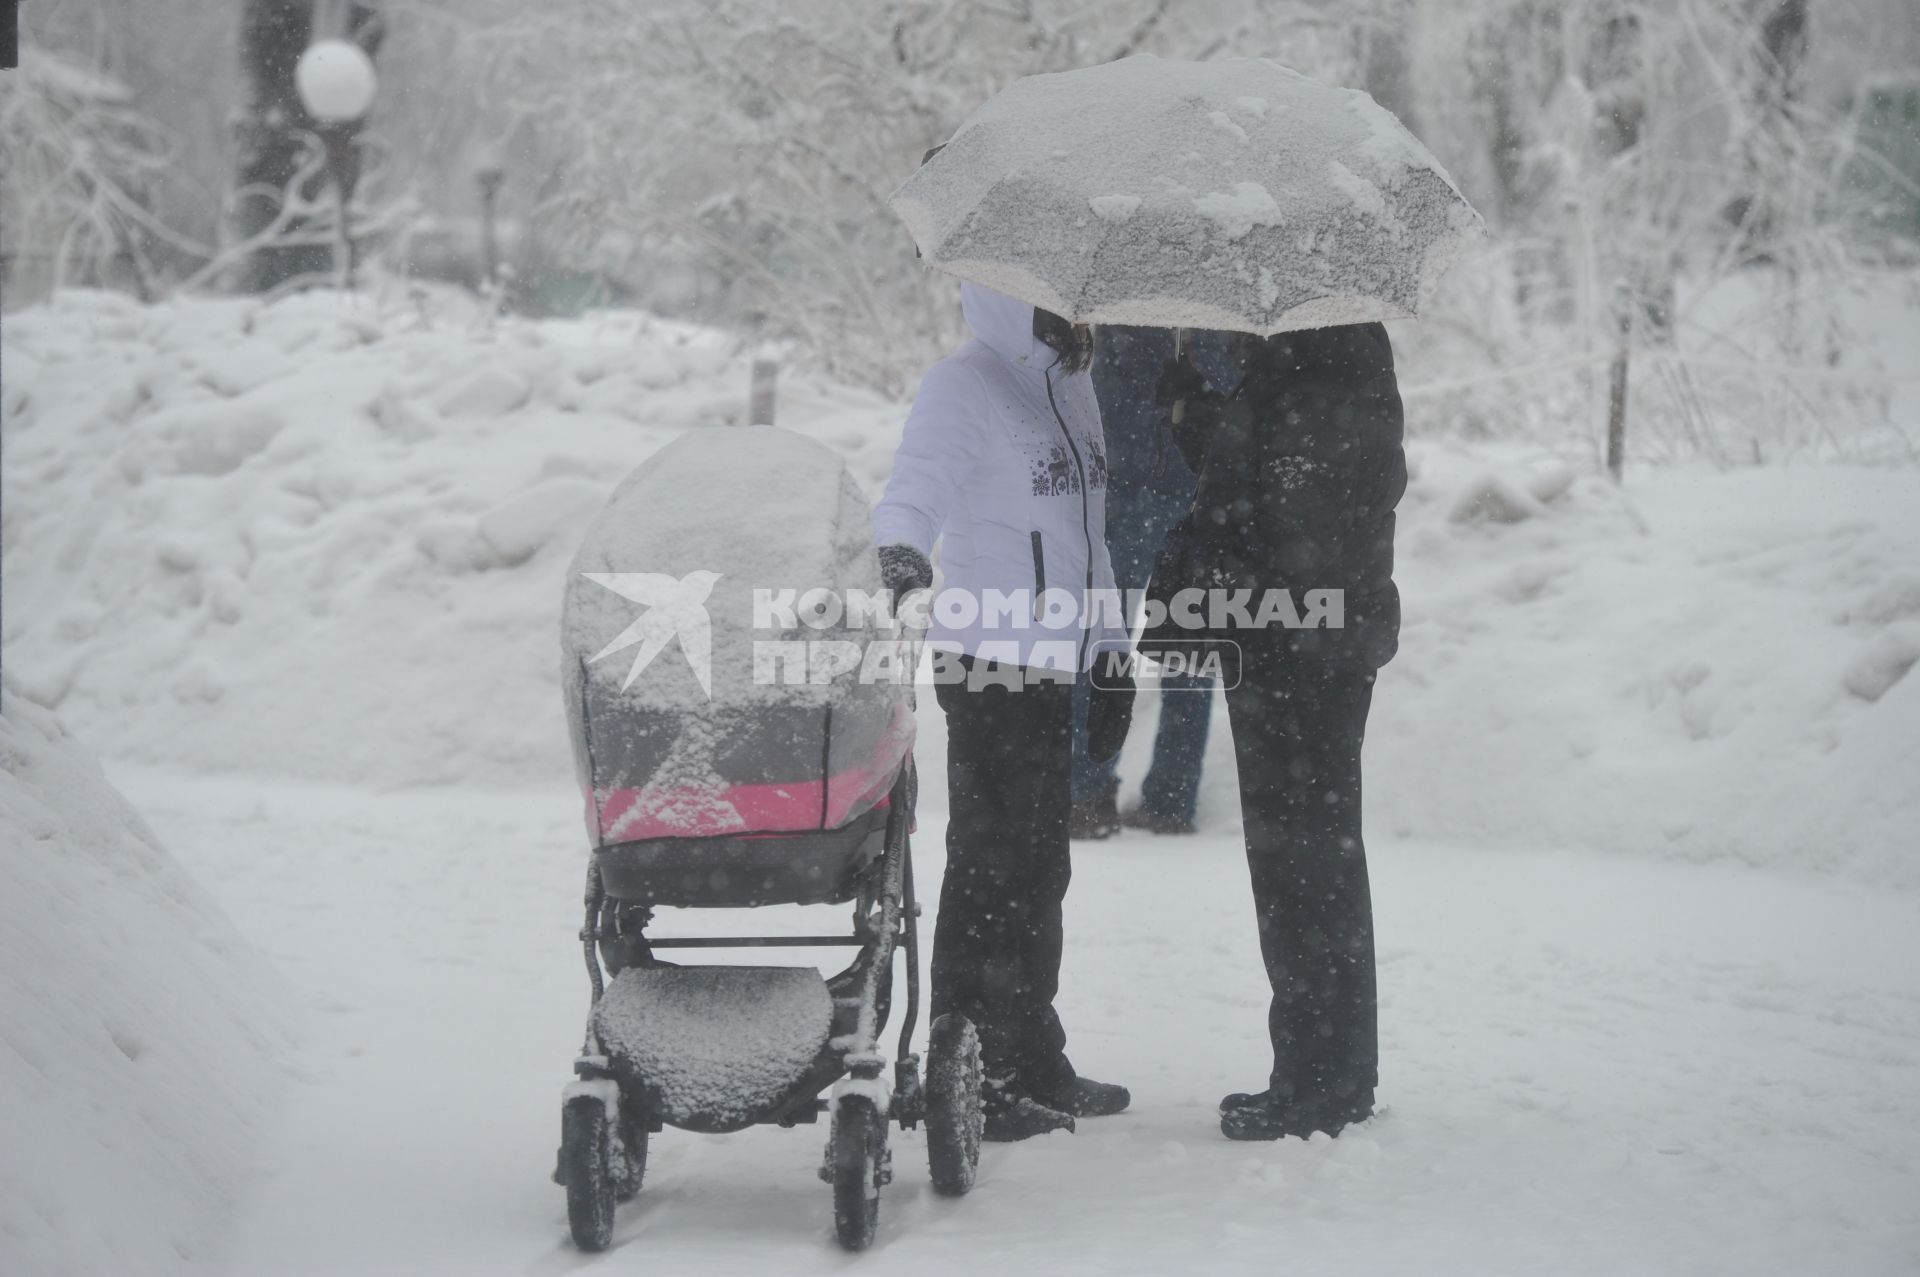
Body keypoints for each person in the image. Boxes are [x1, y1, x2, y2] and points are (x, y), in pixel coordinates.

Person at [873, 282, 1135, 1142]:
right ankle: (973, 1062)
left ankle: (1032, 1050)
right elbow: (916, 487)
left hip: (1056, 655)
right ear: (1008, 288)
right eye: (1052, 287)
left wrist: (1110, 651)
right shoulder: (969, 381)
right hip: (987, 651)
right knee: (992, 862)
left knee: (1039, 866)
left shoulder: (1071, 386)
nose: (1072, 301)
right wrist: (903, 557)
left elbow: (1089, 537)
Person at [1153, 322, 1406, 1141]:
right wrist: (1203, 415)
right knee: (1306, 863)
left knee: (1305, 868)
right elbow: (1263, 491)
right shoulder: (1303, 371)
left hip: (1302, 651)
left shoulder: (1324, 381)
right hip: (1298, 644)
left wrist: (1224, 431)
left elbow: (1290, 523)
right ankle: (1321, 1071)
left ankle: (1322, 1082)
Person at [1069, 326, 1223, 840]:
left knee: (1104, 644)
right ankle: (1172, 798)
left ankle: (1090, 794)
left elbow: (1098, 383)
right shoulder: (1220, 305)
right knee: (1187, 650)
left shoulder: (1123, 292)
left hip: (1128, 482)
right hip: (1194, 486)